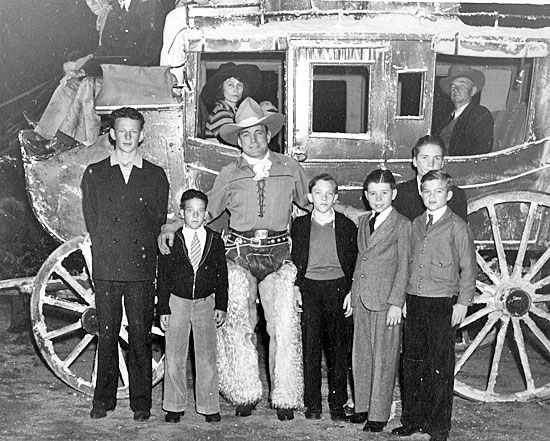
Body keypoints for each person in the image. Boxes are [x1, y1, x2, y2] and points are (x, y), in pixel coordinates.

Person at [158, 97, 309, 421]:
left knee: (283, 325)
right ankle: (245, 392)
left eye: (258, 133)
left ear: (268, 134)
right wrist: (173, 223)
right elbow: (206, 211)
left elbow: (311, 204)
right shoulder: (229, 172)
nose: (252, 140)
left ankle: (284, 397)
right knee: (239, 325)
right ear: (237, 140)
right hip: (238, 254)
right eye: (245, 135)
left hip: (279, 254)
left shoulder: (290, 167)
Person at [81, 107, 169, 421]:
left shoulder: (155, 175)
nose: (128, 136)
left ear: (142, 135)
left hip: (141, 268)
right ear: (113, 134)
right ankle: (102, 401)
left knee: (140, 335)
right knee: (106, 335)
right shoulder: (95, 173)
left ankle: (141, 404)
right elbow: (92, 219)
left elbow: (158, 219)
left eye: (134, 131)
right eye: (123, 130)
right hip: (107, 267)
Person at [392, 170, 476, 441]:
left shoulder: (457, 227)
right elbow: (407, 263)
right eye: (427, 191)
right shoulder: (416, 224)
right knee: (412, 363)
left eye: (438, 191)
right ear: (420, 192)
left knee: (439, 365)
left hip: (442, 303)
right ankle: (412, 420)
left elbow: (469, 268)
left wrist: (462, 303)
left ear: (448, 195)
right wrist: (404, 298)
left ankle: (438, 427)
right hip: (415, 301)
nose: (431, 196)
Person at [346, 169, 411, 433]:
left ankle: (379, 414)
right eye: (372, 194)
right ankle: (362, 407)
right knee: (360, 354)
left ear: (393, 194)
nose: (378, 198)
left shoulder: (402, 224)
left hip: (386, 301)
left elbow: (405, 265)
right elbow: (361, 259)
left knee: (383, 358)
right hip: (362, 296)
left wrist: (397, 301)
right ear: (365, 196)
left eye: (384, 194)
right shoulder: (364, 222)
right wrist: (352, 291)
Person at [157, 189, 228, 424]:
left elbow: (222, 277)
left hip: (205, 303)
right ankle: (174, 406)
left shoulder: (215, 241)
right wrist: (163, 309)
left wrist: (221, 305)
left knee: (206, 356)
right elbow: (164, 276)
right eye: (190, 211)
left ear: (206, 214)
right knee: (175, 356)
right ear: (181, 213)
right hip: (177, 302)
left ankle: (209, 406)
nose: (195, 216)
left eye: (200, 212)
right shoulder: (172, 240)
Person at [291, 174, 357, 421]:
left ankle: (337, 404)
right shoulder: (299, 226)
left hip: (338, 289)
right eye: (318, 193)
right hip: (310, 289)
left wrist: (351, 291)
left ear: (336, 197)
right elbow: (296, 259)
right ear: (309, 197)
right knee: (310, 348)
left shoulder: (346, 225)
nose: (323, 198)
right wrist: (297, 288)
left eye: (329, 194)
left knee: (338, 350)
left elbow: (353, 261)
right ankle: (313, 404)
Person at [393, 135, 467, 223]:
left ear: (442, 163)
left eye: (436, 158)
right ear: (415, 161)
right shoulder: (400, 193)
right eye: (424, 157)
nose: (431, 164)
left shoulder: (456, 195)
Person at [437, 65, 494, 156]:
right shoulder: (447, 118)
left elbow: (481, 155)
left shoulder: (479, 114)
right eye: (453, 86)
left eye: (462, 85)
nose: (456, 90)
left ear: (472, 91)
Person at [201, 62, 261, 142]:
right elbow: (234, 145)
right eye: (230, 85)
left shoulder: (233, 112)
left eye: (239, 85)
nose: (236, 89)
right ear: (221, 88)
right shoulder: (221, 114)